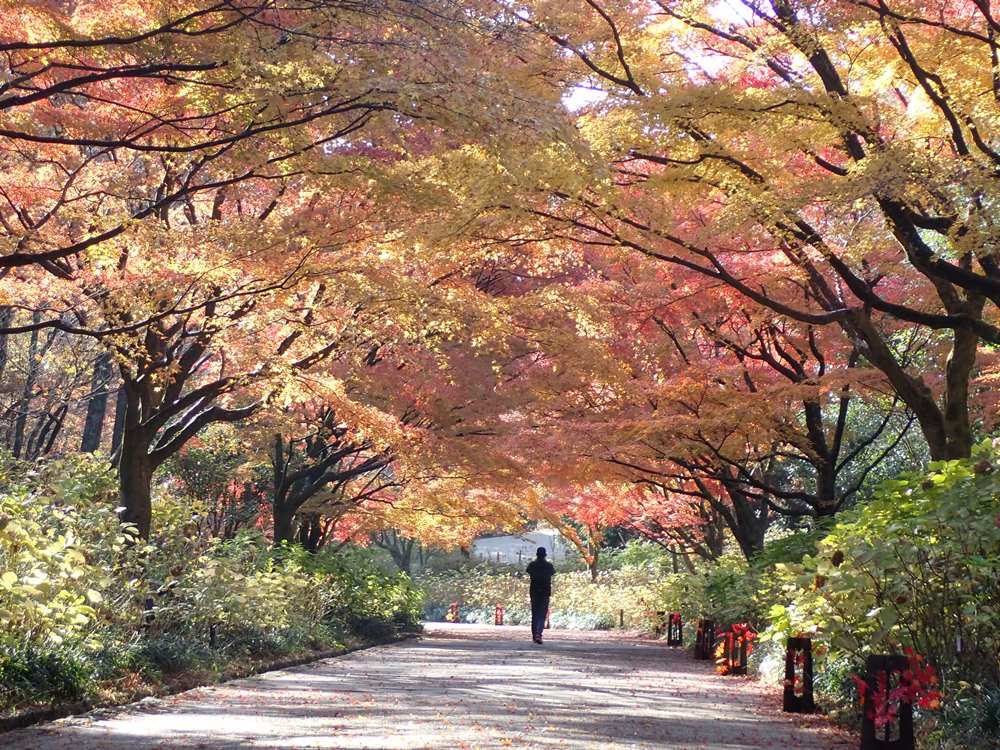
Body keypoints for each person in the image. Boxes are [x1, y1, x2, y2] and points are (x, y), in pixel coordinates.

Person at [525, 546, 555, 644]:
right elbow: (552, 573)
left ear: (537, 554)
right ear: (545, 555)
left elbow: (528, 571)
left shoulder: (532, 565)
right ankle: (539, 634)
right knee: (542, 614)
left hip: (534, 591)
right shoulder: (549, 566)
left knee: (535, 614)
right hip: (545, 592)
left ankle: (535, 635)